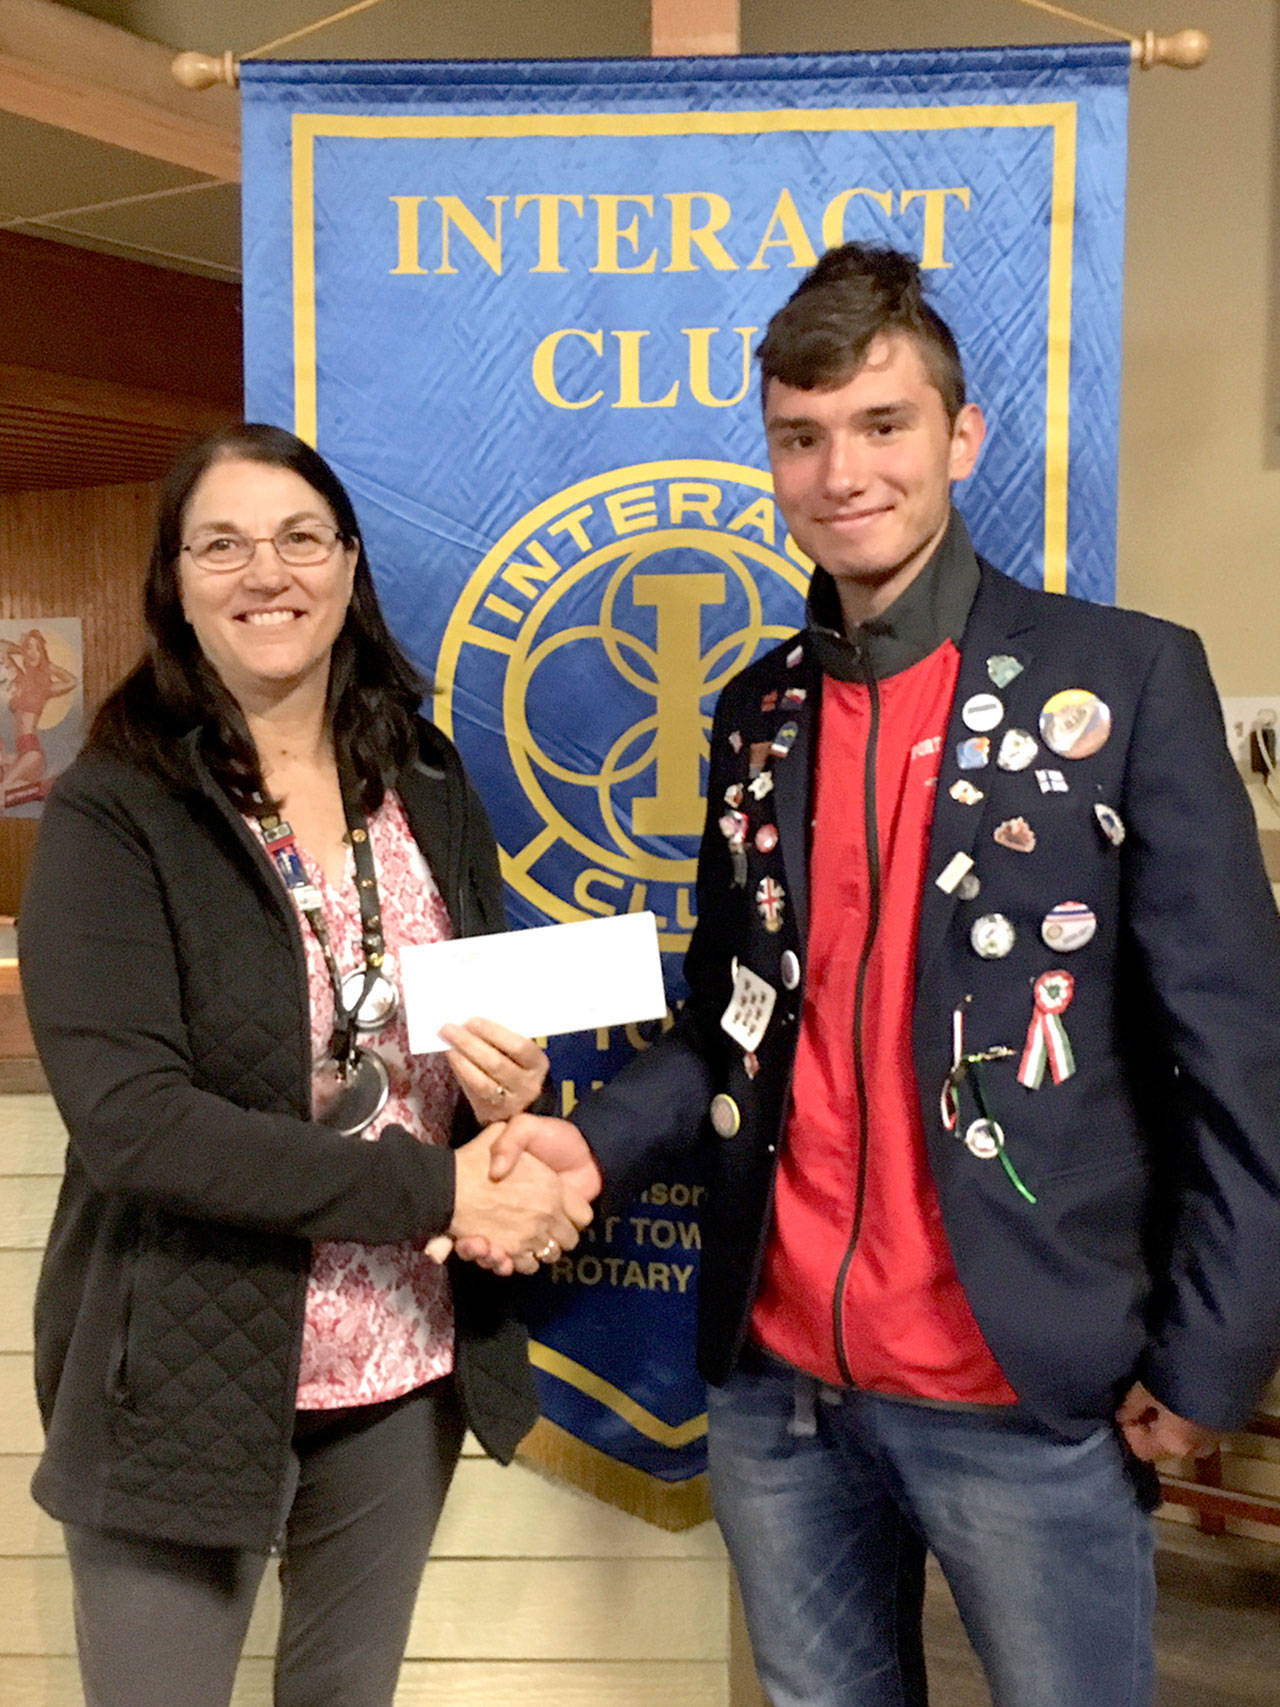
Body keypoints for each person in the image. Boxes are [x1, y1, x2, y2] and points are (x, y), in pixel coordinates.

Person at [480, 244, 1280, 1706]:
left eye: (882, 424)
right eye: (802, 436)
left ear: (960, 437)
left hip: (1023, 1380)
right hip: (780, 1383)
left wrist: (1214, 1351)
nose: (841, 471)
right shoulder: (759, 709)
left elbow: (1238, 1057)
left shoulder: (1126, 681)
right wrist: (584, 1143)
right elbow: (730, 1025)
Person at [18, 422, 591, 1707]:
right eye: (219, 544)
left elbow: (458, 1018)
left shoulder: (425, 779)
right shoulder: (115, 810)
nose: (262, 572)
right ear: (172, 580)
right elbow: (136, 1127)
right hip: (178, 1361)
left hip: (396, 1366)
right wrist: (446, 1195)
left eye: (297, 539)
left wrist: (505, 1090)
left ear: (346, 565)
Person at [1, 626, 77, 802]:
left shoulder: (45, 688)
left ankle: (43, 787)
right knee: (10, 791)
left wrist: (49, 667)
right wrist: (23, 650)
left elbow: (72, 681)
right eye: (30, 647)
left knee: (3, 789)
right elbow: (1, 647)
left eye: (38, 648)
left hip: (32, 754)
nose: (33, 652)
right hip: (21, 755)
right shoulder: (19, 679)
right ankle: (45, 787)